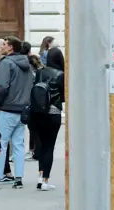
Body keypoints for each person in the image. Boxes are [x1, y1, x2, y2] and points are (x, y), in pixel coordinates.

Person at [0, 36, 33, 189]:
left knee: (1, 143)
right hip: (23, 109)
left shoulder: (7, 63)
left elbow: (3, 86)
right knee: (19, 144)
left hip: (7, 108)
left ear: (11, 47)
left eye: (5, 44)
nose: (3, 46)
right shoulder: (26, 63)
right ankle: (18, 178)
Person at [28, 55, 64, 191]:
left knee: (41, 146)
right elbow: (64, 96)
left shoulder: (39, 72)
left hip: (37, 113)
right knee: (49, 147)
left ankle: (39, 176)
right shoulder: (61, 75)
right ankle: (45, 181)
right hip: (53, 114)